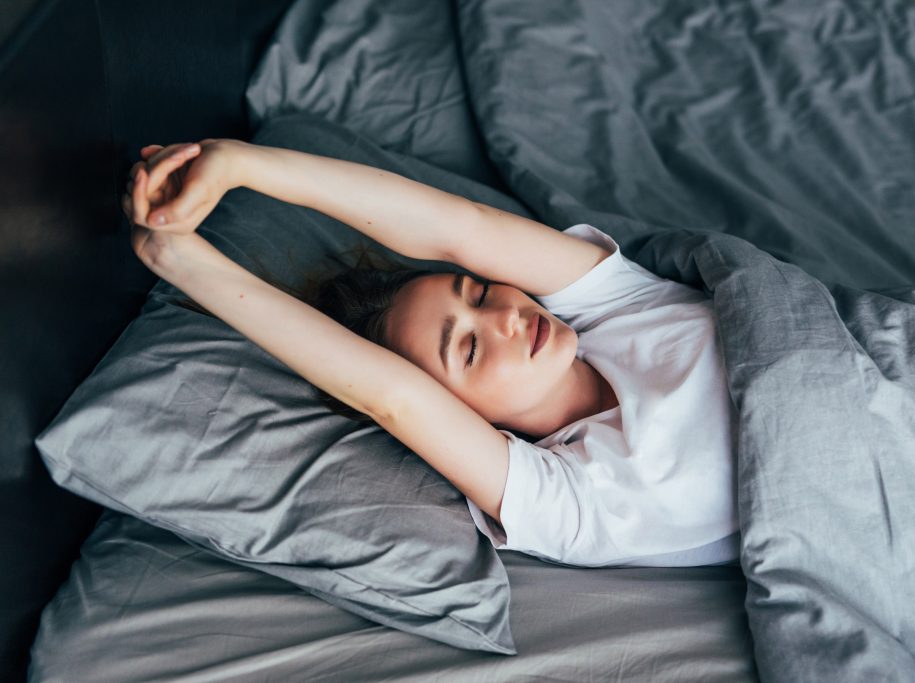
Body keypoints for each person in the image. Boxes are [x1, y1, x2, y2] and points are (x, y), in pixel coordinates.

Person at [122, 138, 740, 568]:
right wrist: (176, 259)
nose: (505, 317)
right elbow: (393, 397)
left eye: (477, 291)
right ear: (462, 414)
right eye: (468, 349)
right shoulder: (578, 503)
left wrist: (237, 164)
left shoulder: (620, 307)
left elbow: (461, 228)